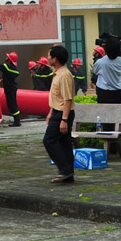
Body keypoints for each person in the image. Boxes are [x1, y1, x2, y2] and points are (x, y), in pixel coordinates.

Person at [42, 44, 76, 184]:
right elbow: (57, 97)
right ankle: (68, 174)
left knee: (49, 140)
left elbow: (67, 99)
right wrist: (51, 112)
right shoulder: (57, 74)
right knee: (64, 143)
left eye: (49, 56)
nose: (47, 58)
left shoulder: (64, 75)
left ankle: (65, 169)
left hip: (63, 114)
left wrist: (64, 120)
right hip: (57, 111)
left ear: (55, 59)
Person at [0, 51, 22, 126]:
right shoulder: (12, 68)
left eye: (7, 57)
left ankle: (17, 122)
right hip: (11, 88)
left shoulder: (8, 66)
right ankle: (17, 121)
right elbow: (8, 76)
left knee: (12, 105)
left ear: (9, 59)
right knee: (12, 104)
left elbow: (0, 66)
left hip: (10, 89)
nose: (6, 58)